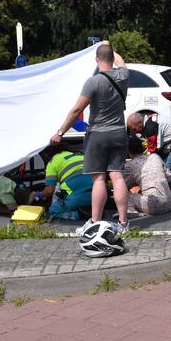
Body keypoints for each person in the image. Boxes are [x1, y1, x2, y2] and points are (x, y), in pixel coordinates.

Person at [50, 41, 129, 232]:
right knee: (118, 177)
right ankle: (124, 223)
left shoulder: (93, 82)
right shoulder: (123, 75)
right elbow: (121, 62)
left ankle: (94, 222)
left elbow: (77, 109)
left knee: (99, 179)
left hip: (98, 135)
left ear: (96, 60)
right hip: (119, 132)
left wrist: (60, 132)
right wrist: (110, 46)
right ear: (111, 58)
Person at [37, 144, 93, 221]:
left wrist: (37, 195)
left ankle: (78, 215)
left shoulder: (53, 162)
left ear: (47, 153)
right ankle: (94, 210)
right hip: (96, 196)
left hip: (76, 198)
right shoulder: (80, 156)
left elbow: (49, 191)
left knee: (52, 212)